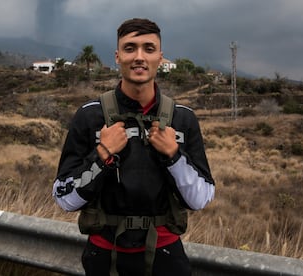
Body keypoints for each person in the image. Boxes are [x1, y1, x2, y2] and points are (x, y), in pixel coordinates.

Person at [52, 18, 215, 276]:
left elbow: (201, 198)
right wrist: (103, 154)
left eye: (149, 49)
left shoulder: (183, 119)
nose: (139, 57)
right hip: (104, 255)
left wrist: (173, 155)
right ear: (118, 56)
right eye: (130, 48)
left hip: (166, 256)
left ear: (160, 57)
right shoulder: (89, 116)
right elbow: (64, 198)